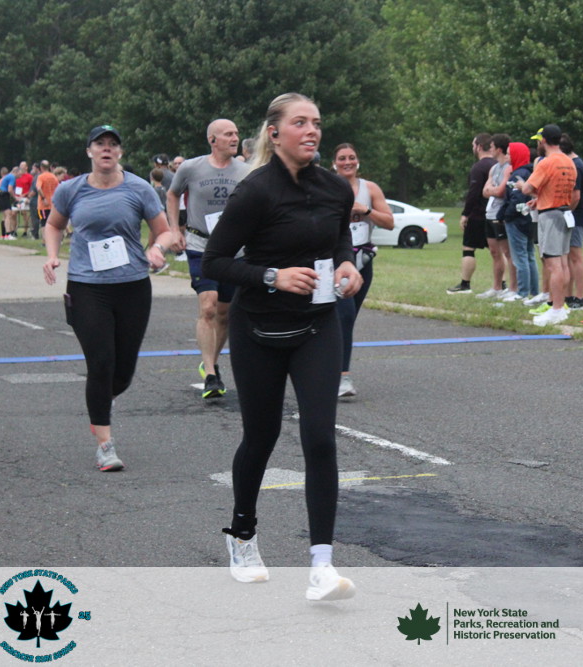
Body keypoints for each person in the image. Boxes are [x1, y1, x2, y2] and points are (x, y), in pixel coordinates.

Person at [202, 93, 362, 601]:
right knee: (261, 436)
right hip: (258, 332)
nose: (312, 130)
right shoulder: (254, 192)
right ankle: (242, 536)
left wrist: (347, 263)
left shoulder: (334, 187)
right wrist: (272, 275)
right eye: (300, 122)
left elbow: (339, 239)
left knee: (320, 437)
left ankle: (322, 566)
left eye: (317, 122)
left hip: (317, 325)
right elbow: (215, 261)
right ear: (274, 133)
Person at [42, 125, 176, 472]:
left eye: (112, 144)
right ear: (89, 151)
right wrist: (52, 255)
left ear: (120, 152)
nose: (106, 149)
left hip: (132, 286)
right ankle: (105, 445)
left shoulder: (139, 188)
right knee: (101, 362)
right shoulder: (71, 189)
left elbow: (164, 231)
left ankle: (101, 400)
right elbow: (54, 225)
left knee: (123, 373)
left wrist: (157, 250)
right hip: (87, 287)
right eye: (99, 144)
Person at [167, 119, 249, 399]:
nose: (234, 138)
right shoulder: (191, 167)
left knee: (225, 312)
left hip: (234, 248)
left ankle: (210, 362)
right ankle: (212, 375)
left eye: (236, 133)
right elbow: (172, 194)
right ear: (212, 140)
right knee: (208, 306)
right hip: (200, 244)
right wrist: (174, 229)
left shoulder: (246, 171)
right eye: (228, 134)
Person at [332, 142, 394, 398]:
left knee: (346, 319)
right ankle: (342, 377)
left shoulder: (370, 188)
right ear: (334, 163)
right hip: (337, 260)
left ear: (358, 161)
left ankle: (326, 367)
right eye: (342, 158)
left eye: (351, 157)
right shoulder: (328, 186)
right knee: (344, 316)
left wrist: (365, 210)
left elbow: (389, 222)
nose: (347, 162)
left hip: (363, 261)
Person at [515, 124, 579, 326]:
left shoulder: (546, 162)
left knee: (553, 264)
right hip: (564, 212)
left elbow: (527, 188)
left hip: (550, 216)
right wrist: (540, 199)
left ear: (543, 141)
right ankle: (562, 305)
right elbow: (562, 190)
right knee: (562, 262)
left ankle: (556, 309)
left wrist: (522, 186)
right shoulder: (569, 162)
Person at [447, 134, 496, 294]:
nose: (473, 148)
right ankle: (501, 284)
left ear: (479, 146)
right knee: (497, 251)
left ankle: (465, 284)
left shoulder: (478, 167)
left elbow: (474, 193)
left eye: (473, 145)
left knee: (468, 248)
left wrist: (465, 214)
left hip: (478, 215)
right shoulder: (498, 166)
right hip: (495, 214)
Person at [478, 133, 518, 300]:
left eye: (493, 147)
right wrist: (492, 189)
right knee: (494, 252)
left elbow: (501, 191)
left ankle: (514, 287)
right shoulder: (494, 168)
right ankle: (496, 287)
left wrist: (493, 189)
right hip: (490, 212)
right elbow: (484, 190)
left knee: (508, 252)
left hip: (501, 214)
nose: (490, 149)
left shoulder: (509, 167)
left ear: (499, 149)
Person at [501, 142, 539, 300]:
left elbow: (516, 198)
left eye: (509, 153)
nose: (506, 156)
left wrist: (506, 215)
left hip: (517, 220)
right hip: (528, 219)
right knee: (529, 256)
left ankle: (522, 292)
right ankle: (534, 291)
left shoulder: (518, 174)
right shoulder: (529, 172)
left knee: (520, 257)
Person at [561, 133, 583, 310]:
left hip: (575, 216)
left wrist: (565, 212)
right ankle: (568, 295)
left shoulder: (576, 165)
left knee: (576, 256)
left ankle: (579, 297)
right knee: (569, 256)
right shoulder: (573, 163)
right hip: (572, 215)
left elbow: (576, 196)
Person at [36, 160, 59, 244]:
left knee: (43, 222)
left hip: (43, 205)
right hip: (52, 204)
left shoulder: (41, 177)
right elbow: (58, 189)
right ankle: (53, 239)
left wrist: (43, 198)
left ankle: (45, 241)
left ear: (41, 167)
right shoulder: (53, 177)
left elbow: (39, 188)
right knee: (51, 223)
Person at [0, 167, 15, 240]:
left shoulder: (1, 180)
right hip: (4, 197)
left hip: (0, 197)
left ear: (1, 173)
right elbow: (8, 189)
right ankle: (8, 234)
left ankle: (3, 235)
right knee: (8, 215)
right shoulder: (9, 178)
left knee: (4, 216)